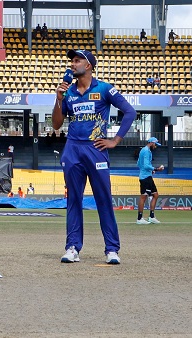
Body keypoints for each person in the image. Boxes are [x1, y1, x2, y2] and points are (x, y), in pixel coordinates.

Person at [53, 49, 136, 265]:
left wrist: (115, 140)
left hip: (96, 149)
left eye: (77, 60)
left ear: (88, 65)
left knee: (103, 200)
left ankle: (111, 249)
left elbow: (130, 112)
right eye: (72, 60)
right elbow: (56, 124)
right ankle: (72, 247)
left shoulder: (105, 89)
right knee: (73, 200)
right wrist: (58, 99)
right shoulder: (68, 92)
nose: (73, 64)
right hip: (72, 149)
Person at [136, 137, 165, 225]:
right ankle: (139, 218)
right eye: (155, 144)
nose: (156, 147)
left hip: (147, 176)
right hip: (145, 178)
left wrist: (151, 170)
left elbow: (138, 163)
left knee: (155, 195)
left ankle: (151, 217)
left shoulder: (145, 150)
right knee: (143, 197)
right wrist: (156, 169)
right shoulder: (146, 151)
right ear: (152, 143)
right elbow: (145, 165)